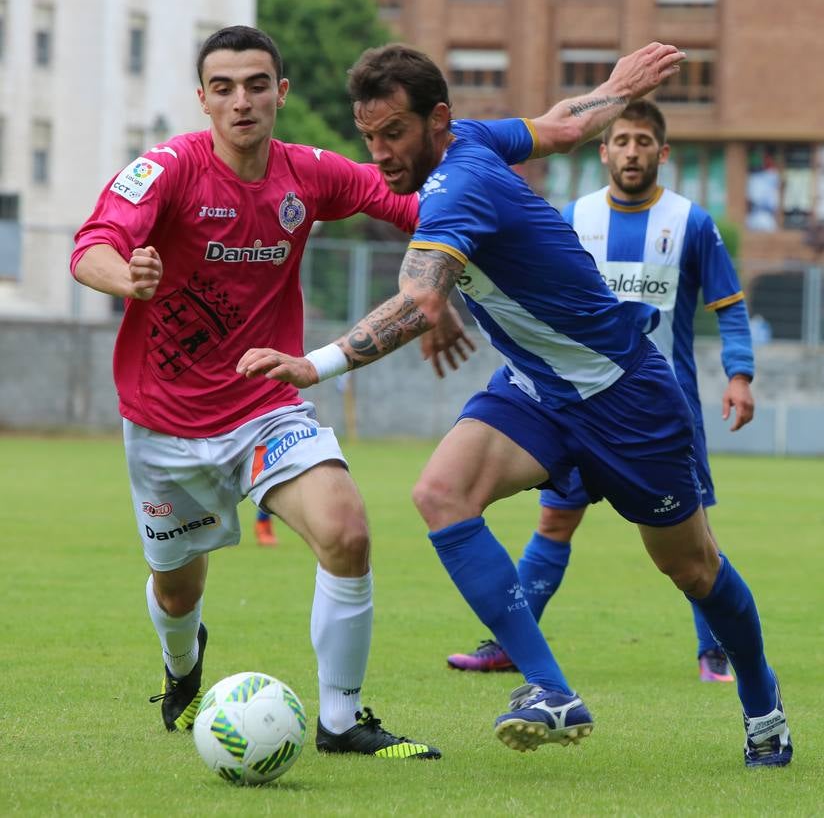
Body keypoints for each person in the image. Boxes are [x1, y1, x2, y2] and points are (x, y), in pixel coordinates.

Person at [236, 42, 792, 768]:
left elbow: (418, 298)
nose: (380, 154)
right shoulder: (470, 138)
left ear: (438, 120)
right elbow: (561, 127)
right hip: (538, 387)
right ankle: (551, 690)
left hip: (625, 395)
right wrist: (616, 88)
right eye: (368, 136)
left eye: (394, 134)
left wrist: (317, 363)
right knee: (441, 494)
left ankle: (764, 707)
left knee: (693, 568)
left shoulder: (458, 183)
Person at [70, 25, 445, 759]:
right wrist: (128, 278)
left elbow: (415, 204)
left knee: (346, 532)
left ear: (281, 92)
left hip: (265, 406)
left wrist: (450, 264)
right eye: (224, 87)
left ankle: (341, 721)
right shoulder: (168, 168)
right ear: (203, 98)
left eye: (256, 84)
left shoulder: (308, 173)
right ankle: (183, 666)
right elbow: (91, 247)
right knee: (177, 592)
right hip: (165, 423)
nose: (241, 100)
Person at [447, 99, 754, 684]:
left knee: (694, 540)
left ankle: (714, 652)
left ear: (662, 153)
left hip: (659, 408)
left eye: (644, 142)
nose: (632, 152)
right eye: (622, 141)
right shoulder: (573, 215)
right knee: (554, 523)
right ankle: (509, 645)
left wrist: (739, 374)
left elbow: (730, 307)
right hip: (573, 403)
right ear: (604, 151)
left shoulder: (691, 222)